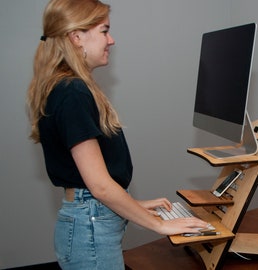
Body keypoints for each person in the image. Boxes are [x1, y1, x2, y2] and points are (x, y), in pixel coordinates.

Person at [26, 0, 209, 269]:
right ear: (77, 37)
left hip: (89, 217)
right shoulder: (72, 92)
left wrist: (135, 205)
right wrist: (160, 225)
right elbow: (99, 185)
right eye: (104, 31)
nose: (111, 40)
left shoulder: (66, 87)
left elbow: (92, 185)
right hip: (90, 226)